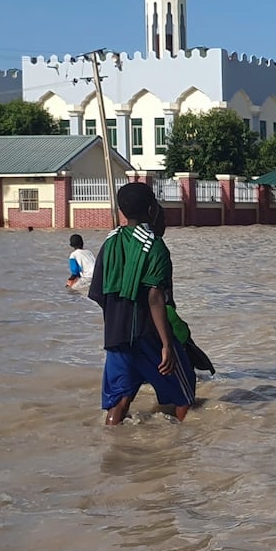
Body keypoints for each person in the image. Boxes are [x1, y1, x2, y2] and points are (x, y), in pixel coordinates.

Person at [86, 182, 195, 425]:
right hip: (148, 334)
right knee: (184, 396)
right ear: (151, 209)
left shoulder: (109, 242)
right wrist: (166, 344)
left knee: (120, 400)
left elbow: (99, 294)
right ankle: (184, 452)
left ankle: (112, 448)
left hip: (115, 335)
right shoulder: (154, 246)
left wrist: (117, 322)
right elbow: (155, 297)